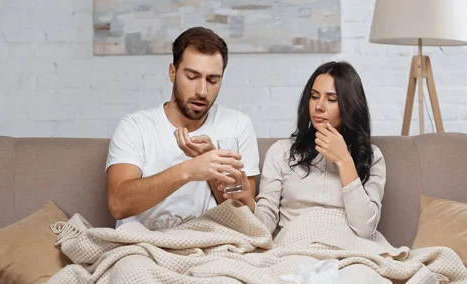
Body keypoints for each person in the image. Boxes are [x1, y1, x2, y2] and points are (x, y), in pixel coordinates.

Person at [106, 27, 260, 230]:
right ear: (173, 72)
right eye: (192, 77)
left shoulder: (237, 125)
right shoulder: (136, 126)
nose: (202, 91)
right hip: (143, 243)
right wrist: (188, 170)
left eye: (213, 80)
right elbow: (119, 204)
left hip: (212, 245)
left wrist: (214, 167)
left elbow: (244, 218)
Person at [221, 61, 386, 237]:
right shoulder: (281, 152)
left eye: (331, 99)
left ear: (350, 105)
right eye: (314, 96)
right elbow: (265, 227)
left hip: (348, 249)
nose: (319, 106)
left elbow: (365, 228)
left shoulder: (372, 156)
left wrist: (344, 160)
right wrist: (247, 200)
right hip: (294, 247)